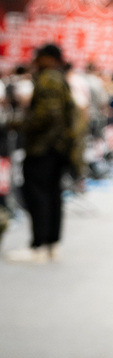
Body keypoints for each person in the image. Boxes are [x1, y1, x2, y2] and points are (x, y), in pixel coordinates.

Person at [5, 44, 81, 264]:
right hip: (56, 149)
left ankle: (39, 245)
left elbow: (47, 115)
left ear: (48, 58)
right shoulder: (59, 78)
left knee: (38, 196)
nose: (34, 61)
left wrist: (18, 124)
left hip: (44, 149)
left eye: (38, 57)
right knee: (52, 196)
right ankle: (50, 244)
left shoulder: (49, 78)